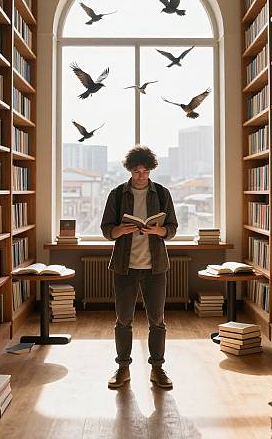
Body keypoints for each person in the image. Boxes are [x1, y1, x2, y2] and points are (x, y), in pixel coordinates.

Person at [101, 145, 178, 390]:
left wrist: (159, 230)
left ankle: (158, 368)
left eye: (145, 171)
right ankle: (123, 367)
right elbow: (106, 229)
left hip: (155, 267)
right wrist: (119, 230)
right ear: (129, 170)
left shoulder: (162, 193)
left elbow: (173, 227)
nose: (141, 175)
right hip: (125, 267)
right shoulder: (116, 194)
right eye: (136, 171)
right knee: (123, 320)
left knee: (157, 320)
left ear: (151, 169)